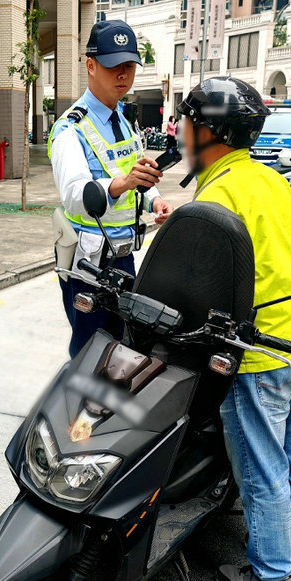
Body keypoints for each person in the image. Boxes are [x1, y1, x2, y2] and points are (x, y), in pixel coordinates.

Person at [176, 77, 291, 581]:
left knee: (261, 464)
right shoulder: (269, 180)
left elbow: (201, 280)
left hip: (259, 351)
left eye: (186, 121)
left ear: (208, 132)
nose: (179, 130)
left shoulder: (217, 190)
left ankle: (273, 576)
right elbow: (263, 249)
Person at [48, 19, 175, 358]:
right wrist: (122, 183)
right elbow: (76, 196)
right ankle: (80, 410)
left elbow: (134, 172)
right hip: (88, 263)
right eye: (112, 65)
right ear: (90, 66)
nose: (123, 74)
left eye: (129, 65)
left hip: (123, 256)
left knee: (121, 345)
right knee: (90, 351)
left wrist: (155, 200)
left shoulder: (124, 118)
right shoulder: (70, 129)